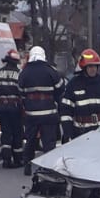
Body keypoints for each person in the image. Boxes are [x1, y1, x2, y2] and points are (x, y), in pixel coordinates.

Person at [18, 44, 63, 173]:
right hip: (49, 114)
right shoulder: (50, 70)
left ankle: (27, 165)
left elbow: (20, 91)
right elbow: (60, 88)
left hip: (31, 115)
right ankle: (49, 168)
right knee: (49, 142)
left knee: (31, 141)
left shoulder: (24, 72)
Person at [62, 49, 100, 139]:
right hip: (80, 132)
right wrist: (68, 134)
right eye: (90, 66)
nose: (93, 69)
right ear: (84, 68)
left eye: (95, 66)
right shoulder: (74, 84)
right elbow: (66, 112)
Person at [0, 47, 25, 168]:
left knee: (6, 133)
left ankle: (6, 160)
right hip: (15, 107)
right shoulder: (19, 74)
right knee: (17, 133)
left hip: (2, 107)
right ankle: (18, 159)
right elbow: (23, 93)